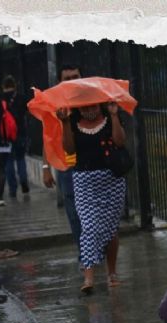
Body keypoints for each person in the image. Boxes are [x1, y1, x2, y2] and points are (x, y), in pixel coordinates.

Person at [58, 101, 127, 293]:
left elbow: (120, 141)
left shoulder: (110, 117)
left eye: (92, 106)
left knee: (111, 229)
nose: (89, 110)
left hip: (111, 181)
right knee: (89, 227)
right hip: (84, 182)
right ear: (78, 107)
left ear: (100, 105)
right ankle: (88, 278)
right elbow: (69, 150)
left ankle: (111, 273)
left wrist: (114, 115)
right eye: (84, 107)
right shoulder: (72, 122)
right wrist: (64, 123)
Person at [41, 64, 83, 269]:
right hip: (66, 165)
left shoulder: (89, 98)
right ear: (60, 81)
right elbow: (47, 136)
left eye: (75, 76)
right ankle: (84, 252)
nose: (71, 80)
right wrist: (45, 167)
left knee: (91, 209)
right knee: (74, 212)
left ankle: (93, 248)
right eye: (67, 78)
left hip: (89, 162)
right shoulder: (53, 103)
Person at [1, 75, 30, 197]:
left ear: (3, 87)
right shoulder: (21, 97)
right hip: (20, 133)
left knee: (8, 162)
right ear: (14, 85)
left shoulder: (0, 99)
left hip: (6, 136)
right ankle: (24, 182)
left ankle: (12, 189)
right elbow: (28, 110)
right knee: (20, 159)